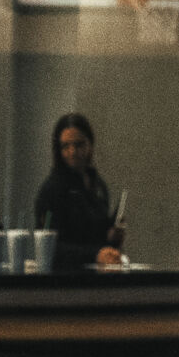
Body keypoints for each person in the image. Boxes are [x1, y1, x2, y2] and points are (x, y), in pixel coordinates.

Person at [35, 110, 122, 269]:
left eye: (79, 145)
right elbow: (51, 247)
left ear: (90, 145)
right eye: (65, 146)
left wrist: (112, 238)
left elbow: (95, 235)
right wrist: (96, 254)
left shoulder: (97, 185)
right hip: (64, 275)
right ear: (58, 150)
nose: (72, 152)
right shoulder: (53, 189)